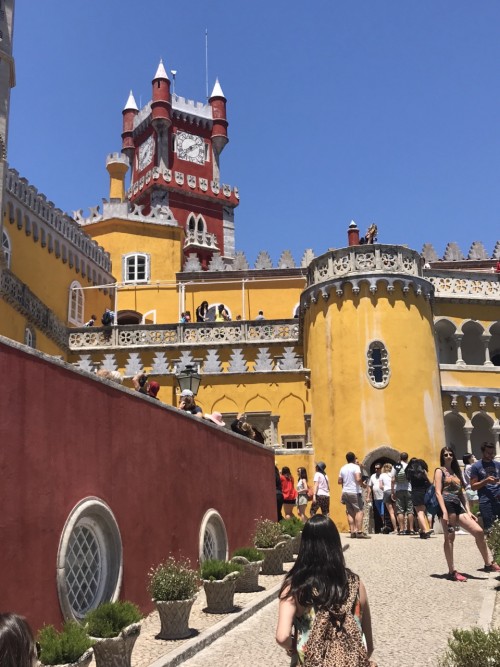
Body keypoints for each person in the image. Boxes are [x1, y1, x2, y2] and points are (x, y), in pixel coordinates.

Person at [276, 515, 374, 665]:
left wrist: (295, 646)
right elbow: (369, 646)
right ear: (335, 544)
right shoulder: (356, 584)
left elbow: (282, 637)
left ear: (305, 545)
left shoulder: (295, 586)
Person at [434, 446, 500, 582]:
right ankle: (452, 571)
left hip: (458, 505)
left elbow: (461, 494)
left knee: (479, 531)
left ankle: (488, 563)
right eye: (445, 455)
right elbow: (438, 492)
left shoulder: (456, 472)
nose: (448, 456)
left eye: (450, 454)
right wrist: (444, 511)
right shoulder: (439, 471)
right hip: (447, 506)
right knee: (450, 538)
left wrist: (468, 511)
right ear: (442, 457)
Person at [470, 442, 500, 533]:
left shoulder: (497, 465)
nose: (491, 455)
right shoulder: (476, 466)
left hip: (498, 498)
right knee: (489, 529)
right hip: (486, 501)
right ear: (483, 452)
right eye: (488, 453)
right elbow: (473, 486)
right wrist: (486, 481)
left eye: (492, 453)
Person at [339, 452, 368, 538]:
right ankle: (359, 531)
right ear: (354, 458)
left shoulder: (343, 468)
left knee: (350, 512)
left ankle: (352, 531)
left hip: (345, 492)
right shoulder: (356, 467)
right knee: (359, 511)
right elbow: (358, 479)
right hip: (354, 492)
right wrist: (363, 485)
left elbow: (339, 481)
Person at [406, 457, 432, 539]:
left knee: (419, 513)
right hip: (424, 492)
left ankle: (425, 530)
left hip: (415, 492)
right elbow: (429, 482)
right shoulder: (423, 471)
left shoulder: (410, 472)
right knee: (422, 512)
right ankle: (423, 531)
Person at [390, 452, 415, 535]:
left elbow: (393, 480)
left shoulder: (395, 466)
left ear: (400, 458)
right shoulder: (409, 466)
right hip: (408, 489)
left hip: (399, 489)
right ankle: (411, 529)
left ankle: (401, 529)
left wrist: (392, 491)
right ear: (407, 458)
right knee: (410, 510)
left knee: (400, 510)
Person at [379, 463, 397, 533]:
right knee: (396, 511)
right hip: (395, 491)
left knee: (391, 512)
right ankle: (401, 528)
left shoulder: (382, 475)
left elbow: (380, 486)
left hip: (387, 492)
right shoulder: (393, 474)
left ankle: (395, 529)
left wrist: (385, 488)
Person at [368, 464, 385, 534]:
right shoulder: (373, 476)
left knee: (383, 513)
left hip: (384, 497)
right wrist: (368, 496)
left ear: (381, 468)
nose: (376, 470)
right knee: (380, 513)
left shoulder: (384, 475)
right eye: (375, 468)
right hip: (376, 498)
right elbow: (370, 486)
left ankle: (385, 526)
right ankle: (383, 525)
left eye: (378, 468)